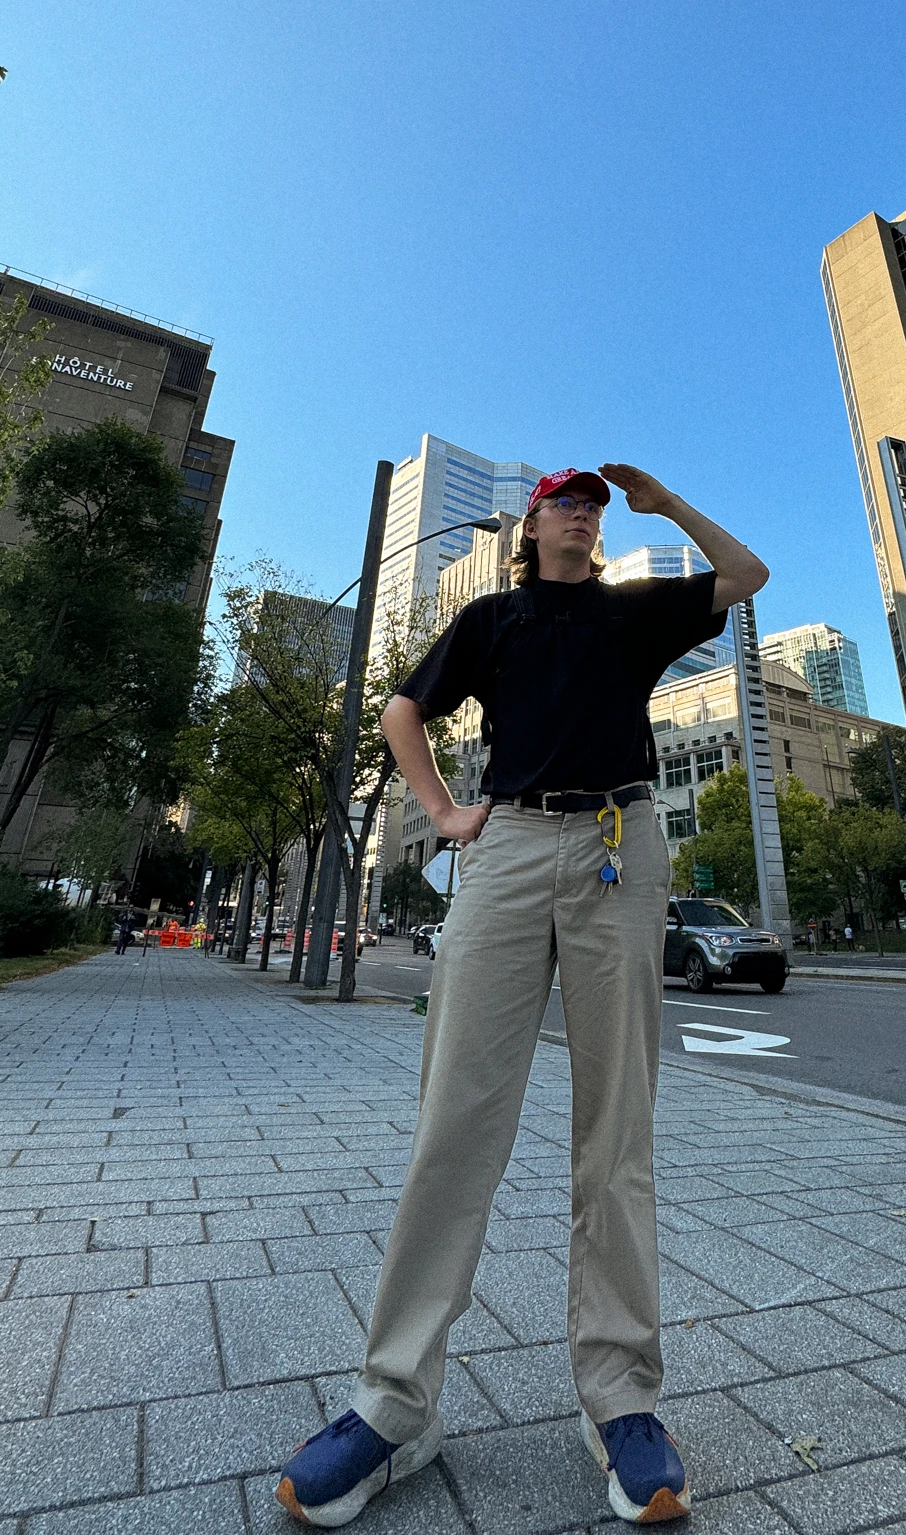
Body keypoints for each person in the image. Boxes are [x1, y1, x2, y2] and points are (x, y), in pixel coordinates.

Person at [276, 464, 767, 1528]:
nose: (583, 512)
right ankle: (394, 1402)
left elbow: (747, 572)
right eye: (565, 501)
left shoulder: (636, 613)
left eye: (593, 502)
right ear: (532, 525)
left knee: (616, 1129)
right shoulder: (494, 616)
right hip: (503, 845)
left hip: (617, 845)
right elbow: (406, 711)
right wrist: (443, 811)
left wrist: (668, 502)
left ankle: (622, 1401)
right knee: (456, 1114)